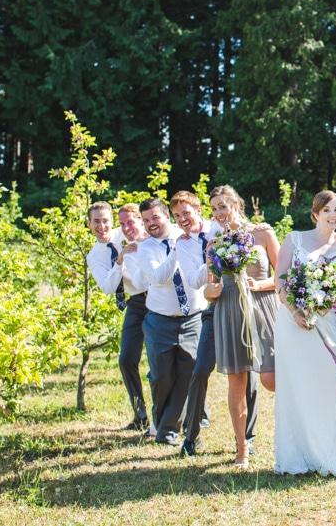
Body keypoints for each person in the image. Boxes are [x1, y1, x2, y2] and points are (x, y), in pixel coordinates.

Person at [273, 190, 336, 475]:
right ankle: (297, 456)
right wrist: (297, 312)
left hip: (325, 323)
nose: (333, 215)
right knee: (296, 388)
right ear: (315, 214)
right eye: (327, 211)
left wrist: (317, 312)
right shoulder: (294, 239)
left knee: (326, 386)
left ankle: (328, 454)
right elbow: (280, 280)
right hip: (292, 324)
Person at [206, 185, 279, 470]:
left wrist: (258, 284)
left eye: (224, 206)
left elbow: (284, 277)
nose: (219, 213)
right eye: (214, 209)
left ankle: (296, 431)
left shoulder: (263, 233)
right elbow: (210, 287)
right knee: (236, 381)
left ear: (237, 205)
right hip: (228, 311)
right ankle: (242, 449)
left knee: (270, 379)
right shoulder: (213, 245)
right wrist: (208, 292)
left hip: (263, 307)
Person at [136, 197, 206, 447]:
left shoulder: (189, 234)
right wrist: (177, 249)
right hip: (160, 321)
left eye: (155, 217)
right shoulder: (146, 248)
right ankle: (162, 422)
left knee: (188, 375)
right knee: (161, 377)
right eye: (145, 220)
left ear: (167, 215)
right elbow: (159, 276)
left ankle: (168, 431)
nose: (150, 224)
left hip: (192, 318)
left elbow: (214, 229)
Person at [86, 201, 150, 431]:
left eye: (106, 221)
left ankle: (179, 412)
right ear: (89, 224)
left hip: (155, 298)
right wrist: (120, 259)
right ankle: (140, 414)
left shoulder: (126, 230)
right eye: (96, 221)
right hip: (135, 303)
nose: (102, 226)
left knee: (158, 360)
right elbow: (108, 287)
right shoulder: (94, 256)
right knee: (126, 359)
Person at [171, 191, 222, 457]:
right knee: (200, 370)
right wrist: (209, 259)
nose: (182, 219)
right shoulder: (184, 244)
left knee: (248, 374)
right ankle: (191, 436)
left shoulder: (220, 225)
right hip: (212, 309)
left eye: (185, 213)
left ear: (198, 209)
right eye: (177, 216)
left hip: (239, 303)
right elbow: (192, 280)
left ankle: (248, 437)